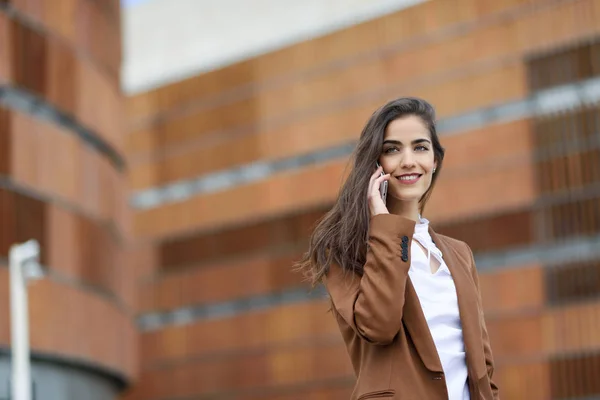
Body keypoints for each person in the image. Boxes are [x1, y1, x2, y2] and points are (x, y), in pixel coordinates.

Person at [295, 97, 499, 399]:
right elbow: (379, 326)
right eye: (392, 149)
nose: (408, 161)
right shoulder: (344, 250)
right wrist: (384, 226)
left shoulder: (459, 253)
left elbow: (483, 364)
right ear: (375, 164)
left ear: (435, 161)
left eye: (420, 147)